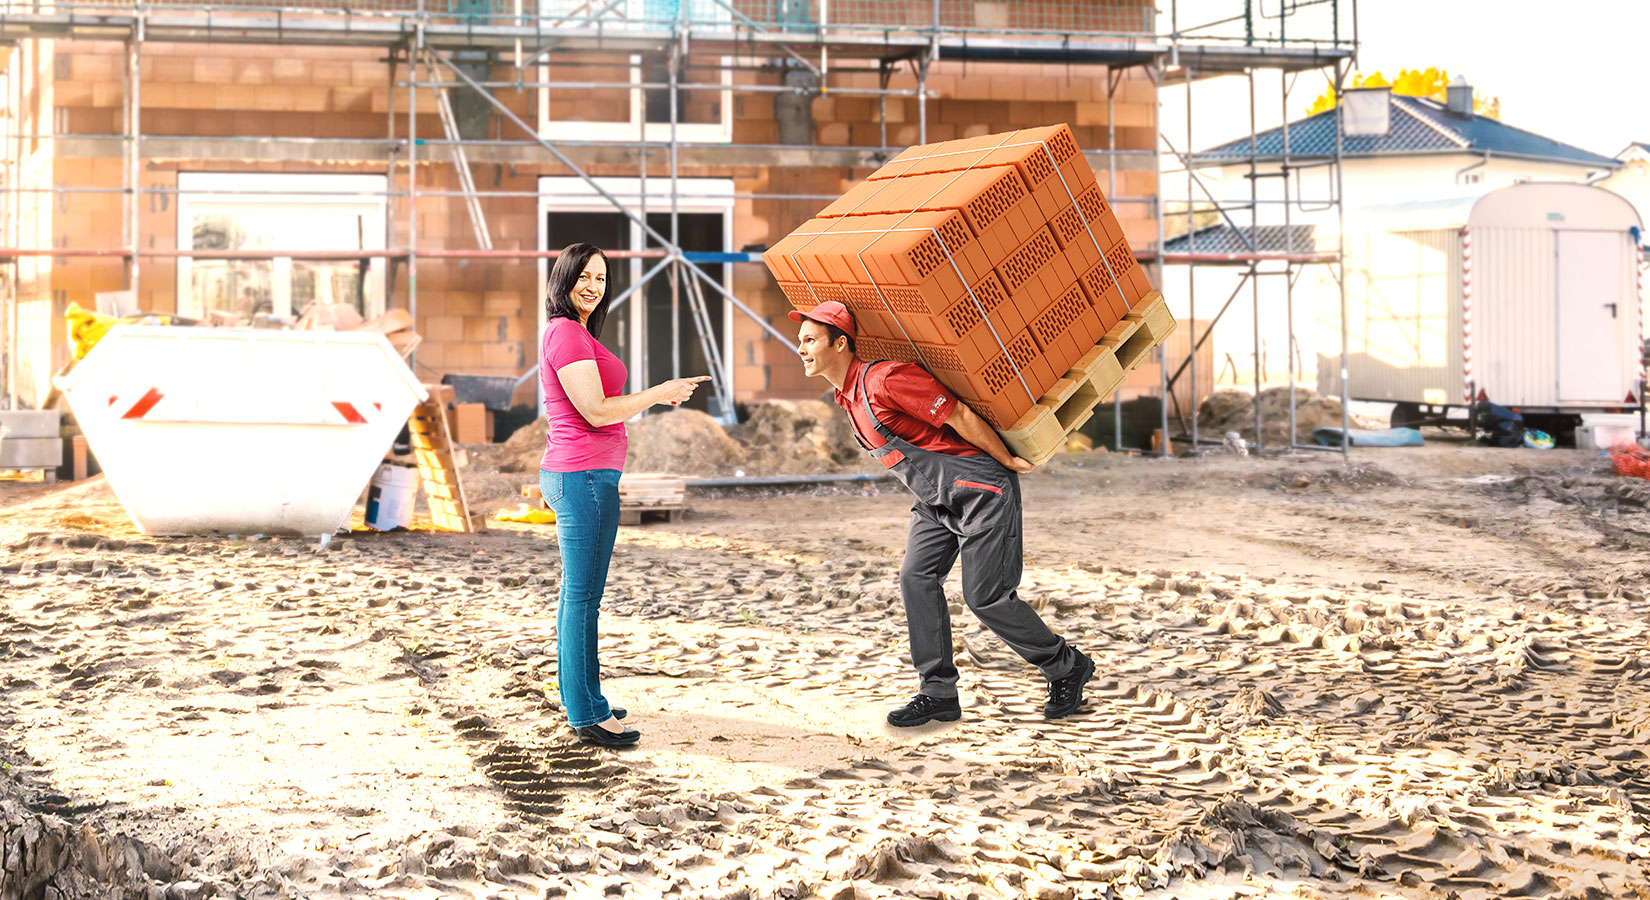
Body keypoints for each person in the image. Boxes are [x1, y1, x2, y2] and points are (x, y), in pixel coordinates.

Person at [791, 300, 1094, 725]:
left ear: (840, 344)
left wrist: (1005, 461)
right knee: (916, 577)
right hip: (934, 502)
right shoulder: (848, 397)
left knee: (985, 597)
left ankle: (1066, 665)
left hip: (980, 491)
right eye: (799, 340)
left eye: (809, 340)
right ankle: (938, 693)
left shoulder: (886, 380)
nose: (800, 348)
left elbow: (959, 416)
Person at [540, 242, 709, 748]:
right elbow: (595, 411)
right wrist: (659, 392)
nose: (593, 286)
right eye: (583, 276)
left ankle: (580, 696)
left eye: (601, 277)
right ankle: (587, 713)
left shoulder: (573, 332)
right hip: (584, 478)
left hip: (582, 476)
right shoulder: (567, 333)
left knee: (578, 595)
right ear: (563, 279)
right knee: (583, 598)